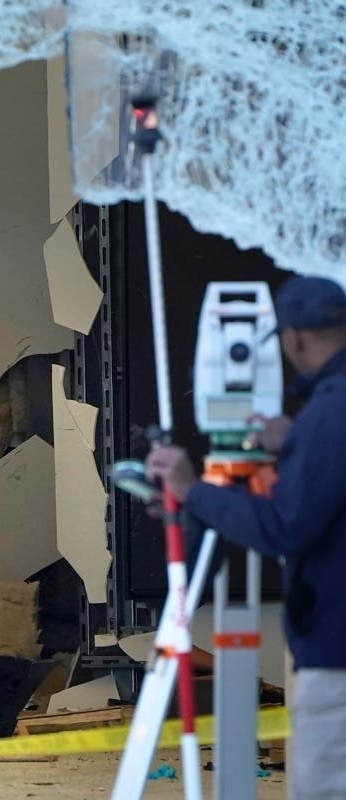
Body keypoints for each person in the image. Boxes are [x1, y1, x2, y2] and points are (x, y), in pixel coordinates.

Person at [145, 275, 346, 800]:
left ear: (294, 337)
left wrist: (191, 491)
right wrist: (296, 440)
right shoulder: (327, 411)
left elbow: (282, 525)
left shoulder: (332, 409)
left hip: (336, 656)